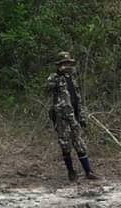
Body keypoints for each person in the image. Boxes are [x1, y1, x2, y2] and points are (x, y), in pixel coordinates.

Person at [46, 51, 99, 181]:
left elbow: (78, 98)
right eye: (64, 64)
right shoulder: (55, 78)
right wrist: (58, 76)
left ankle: (88, 171)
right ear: (59, 65)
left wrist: (82, 116)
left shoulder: (73, 79)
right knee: (65, 145)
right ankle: (71, 172)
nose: (67, 66)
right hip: (62, 117)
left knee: (80, 144)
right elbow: (46, 88)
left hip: (74, 116)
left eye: (69, 63)